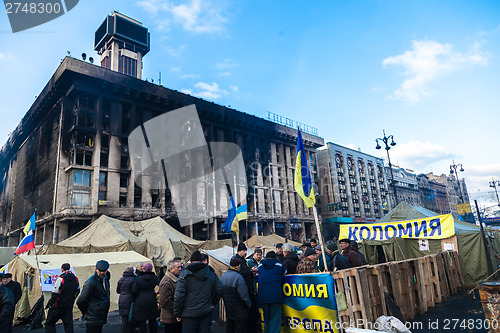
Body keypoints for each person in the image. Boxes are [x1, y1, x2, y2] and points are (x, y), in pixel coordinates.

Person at [174, 250, 222, 333]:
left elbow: (179, 296)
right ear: (201, 261)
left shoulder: (184, 274)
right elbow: (219, 289)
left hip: (188, 315)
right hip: (205, 312)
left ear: (191, 261)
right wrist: (213, 303)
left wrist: (177, 313)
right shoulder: (210, 272)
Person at [45, 263, 80, 333]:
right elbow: (78, 290)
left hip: (58, 305)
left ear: (62, 269)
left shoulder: (61, 279)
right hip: (68, 305)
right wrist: (72, 299)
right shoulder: (75, 279)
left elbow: (55, 293)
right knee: (68, 324)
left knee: (49, 323)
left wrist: (51, 303)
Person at [77, 260, 111, 333]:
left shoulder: (105, 279)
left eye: (104, 271)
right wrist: (88, 312)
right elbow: (81, 301)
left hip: (100, 315)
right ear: (96, 269)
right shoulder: (91, 282)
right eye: (100, 271)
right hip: (93, 317)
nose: (102, 273)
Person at [257, 251, 286, 333]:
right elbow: (285, 272)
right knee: (275, 320)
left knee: (266, 319)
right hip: (275, 296)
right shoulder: (279, 265)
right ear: (275, 257)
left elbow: (259, 273)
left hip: (262, 296)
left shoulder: (260, 265)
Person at [233, 243, 259, 333]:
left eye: (246, 250)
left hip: (249, 290)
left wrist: (252, 272)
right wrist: (250, 271)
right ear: (239, 251)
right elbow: (239, 274)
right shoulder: (237, 261)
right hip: (243, 291)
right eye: (244, 251)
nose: (245, 253)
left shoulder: (243, 261)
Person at [220, 258, 251, 333]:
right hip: (239, 311)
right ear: (238, 266)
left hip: (229, 309)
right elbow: (244, 295)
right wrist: (249, 305)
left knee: (230, 329)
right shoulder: (238, 277)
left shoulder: (223, 277)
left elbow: (220, 292)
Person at [132, 262, 160, 333]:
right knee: (152, 320)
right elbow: (161, 284)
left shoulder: (138, 279)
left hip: (141, 300)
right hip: (151, 299)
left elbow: (134, 290)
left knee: (142, 321)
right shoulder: (154, 278)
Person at [159, 259, 182, 333]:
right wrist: (177, 313)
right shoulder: (167, 282)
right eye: (178, 267)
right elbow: (165, 302)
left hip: (174, 317)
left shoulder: (175, 279)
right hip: (170, 318)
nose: (180, 269)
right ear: (171, 269)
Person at [116, 266, 136, 333]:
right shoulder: (133, 279)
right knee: (129, 319)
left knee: (124, 319)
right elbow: (134, 290)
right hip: (129, 300)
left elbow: (118, 290)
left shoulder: (121, 279)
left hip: (121, 299)